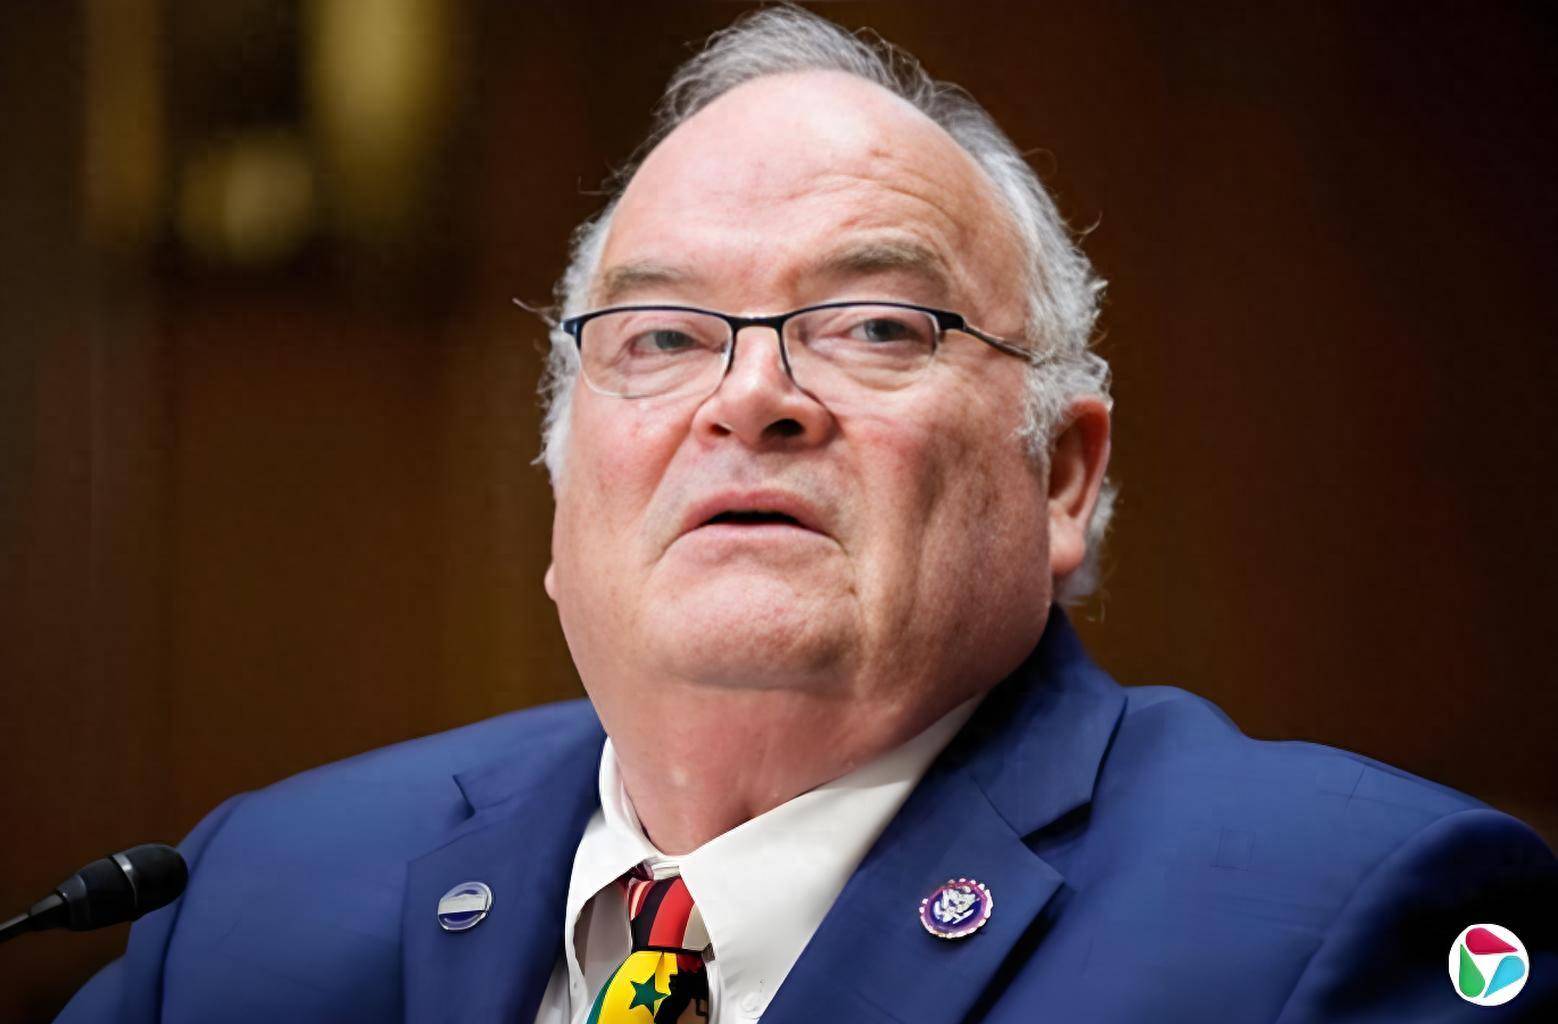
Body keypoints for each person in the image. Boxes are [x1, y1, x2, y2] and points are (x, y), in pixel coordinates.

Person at [58, 6, 1554, 1022]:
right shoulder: (248, 899)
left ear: (1061, 477)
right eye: (660, 337)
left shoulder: (1348, 921)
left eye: (877, 328)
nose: (750, 396)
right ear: (563, 480)